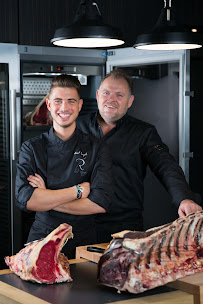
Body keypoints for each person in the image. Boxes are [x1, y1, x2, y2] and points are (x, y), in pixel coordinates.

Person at [77, 69, 202, 243]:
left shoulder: (144, 133)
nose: (111, 99)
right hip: (78, 222)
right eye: (106, 93)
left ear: (130, 101)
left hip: (123, 227)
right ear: (98, 95)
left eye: (119, 95)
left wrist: (184, 198)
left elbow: (166, 166)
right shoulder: (75, 127)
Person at [15, 74, 113, 258]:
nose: (64, 107)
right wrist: (77, 191)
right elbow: (25, 200)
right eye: (58, 101)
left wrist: (47, 198)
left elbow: (100, 203)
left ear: (80, 105)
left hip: (83, 244)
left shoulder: (97, 147)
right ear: (49, 105)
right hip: (42, 240)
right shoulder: (32, 148)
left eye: (71, 101)